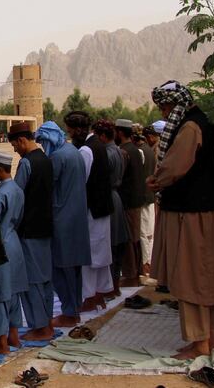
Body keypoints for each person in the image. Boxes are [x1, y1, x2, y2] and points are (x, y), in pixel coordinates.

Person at [147, 80, 214, 359]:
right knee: (204, 277)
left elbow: (175, 166)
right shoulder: (197, 121)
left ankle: (200, 344)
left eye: (165, 107)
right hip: (201, 211)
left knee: (191, 277)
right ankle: (210, 338)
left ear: (174, 104)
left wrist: (158, 180)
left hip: (193, 214)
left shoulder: (190, 127)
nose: (163, 113)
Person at [35, 121, 91, 327]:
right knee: (74, 269)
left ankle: (69, 311)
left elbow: (49, 187)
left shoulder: (58, 156)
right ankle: (74, 308)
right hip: (76, 216)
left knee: (61, 268)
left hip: (62, 219)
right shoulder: (73, 152)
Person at [8, 122, 54, 341]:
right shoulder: (46, 159)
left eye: (15, 145)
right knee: (45, 278)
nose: (15, 150)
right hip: (45, 226)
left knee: (33, 280)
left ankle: (40, 327)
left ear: (22, 141)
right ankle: (46, 323)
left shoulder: (27, 163)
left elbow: (17, 197)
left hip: (30, 230)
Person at [64, 111, 114, 312]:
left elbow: (79, 181)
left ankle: (90, 297)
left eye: (69, 130)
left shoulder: (86, 150)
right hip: (102, 207)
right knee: (101, 254)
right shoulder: (98, 144)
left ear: (77, 130)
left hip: (92, 209)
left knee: (91, 257)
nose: (69, 134)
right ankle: (101, 294)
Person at [0, 150, 27, 354]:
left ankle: (1, 341)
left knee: (0, 294)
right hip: (15, 243)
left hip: (0, 246)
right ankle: (14, 336)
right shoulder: (17, 189)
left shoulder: (2, 194)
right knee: (14, 292)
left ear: (0, 170)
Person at [93, 119, 129, 298]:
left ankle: (111, 287)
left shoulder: (108, 153)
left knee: (111, 245)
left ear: (101, 136)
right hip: (115, 198)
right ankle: (113, 286)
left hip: (110, 198)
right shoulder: (118, 151)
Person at [115, 119, 147, 287]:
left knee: (129, 239)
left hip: (128, 202)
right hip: (136, 200)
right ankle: (137, 272)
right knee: (135, 238)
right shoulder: (135, 150)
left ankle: (131, 275)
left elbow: (119, 178)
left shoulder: (123, 152)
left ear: (120, 132)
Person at [135, 127, 157, 278]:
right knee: (150, 232)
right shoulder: (150, 150)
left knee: (144, 233)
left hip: (143, 197)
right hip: (150, 197)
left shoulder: (141, 152)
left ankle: (146, 264)